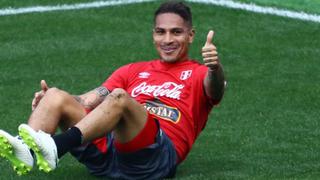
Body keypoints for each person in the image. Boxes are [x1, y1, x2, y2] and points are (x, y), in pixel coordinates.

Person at [0, 1, 226, 179]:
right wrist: (49, 101)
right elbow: (87, 101)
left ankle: (57, 147)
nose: (167, 39)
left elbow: (215, 89)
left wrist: (214, 67)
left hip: (153, 160)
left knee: (120, 97)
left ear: (191, 35)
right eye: (161, 32)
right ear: (153, 34)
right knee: (56, 95)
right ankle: (27, 153)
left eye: (176, 32)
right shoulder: (133, 70)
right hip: (109, 153)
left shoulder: (199, 73)